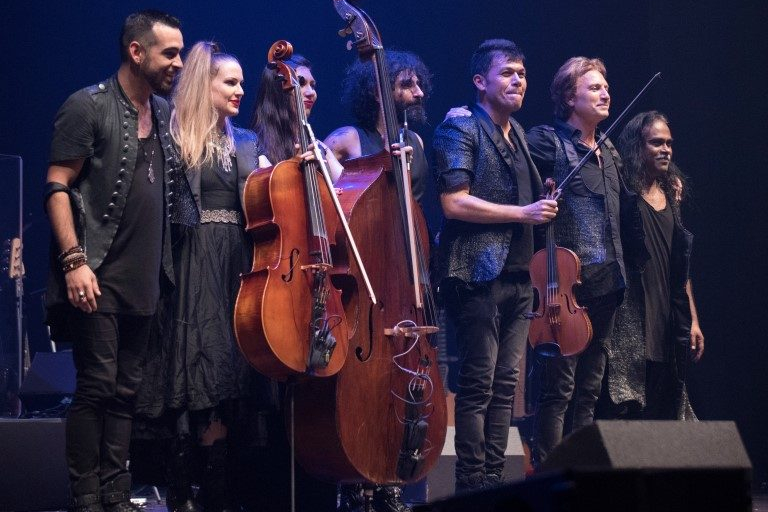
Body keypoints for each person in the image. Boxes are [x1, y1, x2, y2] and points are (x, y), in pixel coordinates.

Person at [43, 10, 183, 512]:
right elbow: (57, 186)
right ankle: (84, 496)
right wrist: (74, 261)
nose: (178, 62)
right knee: (98, 386)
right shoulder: (88, 106)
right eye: (170, 52)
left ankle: (116, 493)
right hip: (97, 272)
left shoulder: (164, 112)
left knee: (127, 392)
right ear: (136, 51)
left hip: (144, 277)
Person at [132, 41, 258, 512]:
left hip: (236, 264)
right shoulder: (176, 133)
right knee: (193, 367)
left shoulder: (246, 140)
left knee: (226, 368)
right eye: (230, 81)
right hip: (191, 261)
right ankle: (182, 490)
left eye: (242, 82)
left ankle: (218, 493)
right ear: (205, 83)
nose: (240, 90)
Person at [432, 39, 557, 493]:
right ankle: (470, 486)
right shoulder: (461, 129)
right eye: (507, 73)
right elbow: (453, 202)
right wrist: (524, 213)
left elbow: (515, 194)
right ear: (480, 82)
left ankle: (493, 482)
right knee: (478, 383)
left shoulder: (518, 133)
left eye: (522, 73)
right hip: (476, 273)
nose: (518, 80)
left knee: (506, 385)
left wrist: (539, 199)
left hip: (519, 276)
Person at [526, 57, 635, 465]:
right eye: (594, 88)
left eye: (606, 86)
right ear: (569, 96)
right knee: (559, 390)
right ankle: (550, 476)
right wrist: (465, 113)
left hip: (608, 283)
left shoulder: (609, 149)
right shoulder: (545, 140)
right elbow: (509, 148)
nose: (605, 92)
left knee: (590, 388)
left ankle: (581, 477)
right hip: (566, 286)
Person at [607, 111, 703, 420]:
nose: (666, 150)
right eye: (657, 143)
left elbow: (681, 266)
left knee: (666, 413)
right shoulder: (624, 194)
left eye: (669, 144)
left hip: (667, 319)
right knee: (628, 409)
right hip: (631, 318)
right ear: (637, 146)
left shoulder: (671, 197)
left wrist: (693, 320)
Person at [324, 49, 431, 206]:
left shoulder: (416, 140)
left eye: (419, 84)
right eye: (407, 85)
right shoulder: (347, 138)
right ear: (377, 93)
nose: (419, 93)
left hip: (415, 229)